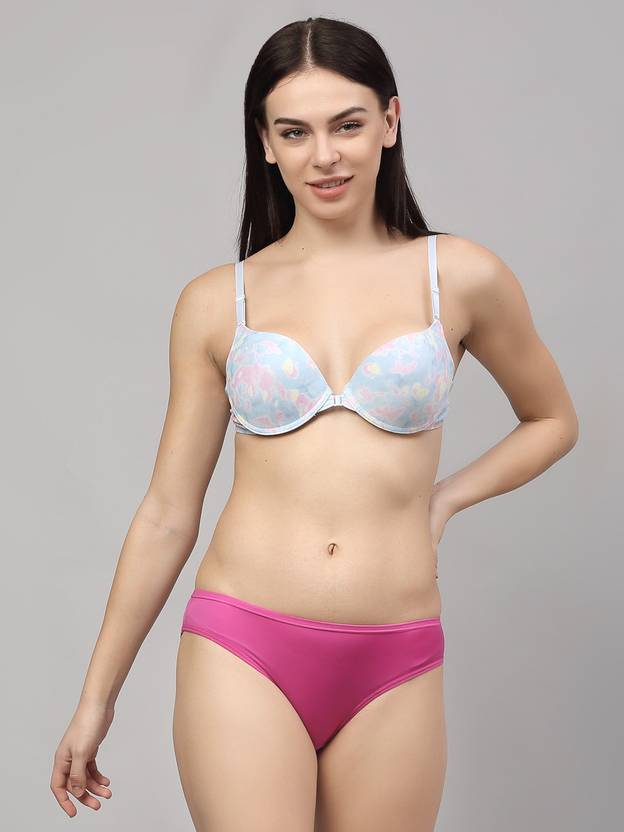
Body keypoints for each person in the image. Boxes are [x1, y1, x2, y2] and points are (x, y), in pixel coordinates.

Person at [50, 16, 579, 831]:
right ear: (265, 143)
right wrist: (96, 700)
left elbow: (552, 419)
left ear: (391, 122)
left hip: (396, 653)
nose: (324, 155)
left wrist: (443, 500)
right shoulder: (216, 302)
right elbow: (166, 513)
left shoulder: (462, 277)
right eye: (295, 131)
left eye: (348, 125)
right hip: (242, 643)